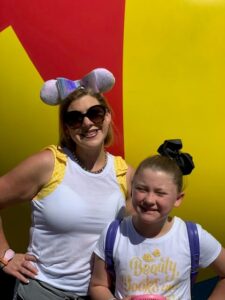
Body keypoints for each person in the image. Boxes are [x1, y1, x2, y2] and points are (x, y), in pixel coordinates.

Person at [0, 68, 134, 300]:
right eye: (75, 118)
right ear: (66, 128)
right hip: (43, 291)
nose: (87, 123)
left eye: (96, 113)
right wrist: (5, 256)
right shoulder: (49, 163)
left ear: (108, 116)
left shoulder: (126, 174)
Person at [89, 139, 225, 300]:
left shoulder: (191, 237)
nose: (149, 199)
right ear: (131, 190)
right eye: (142, 189)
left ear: (178, 199)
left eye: (160, 193)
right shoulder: (114, 233)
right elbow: (98, 285)